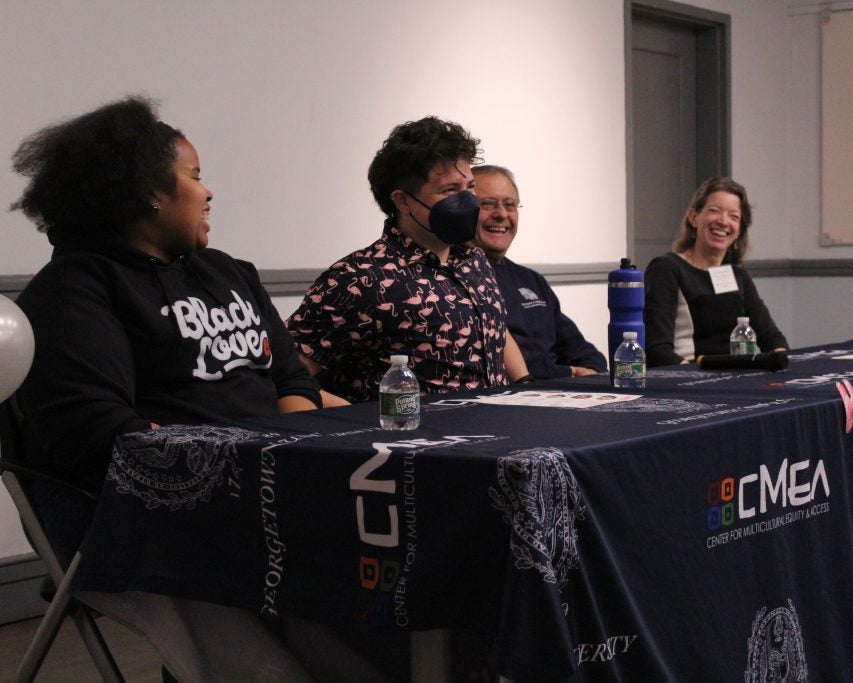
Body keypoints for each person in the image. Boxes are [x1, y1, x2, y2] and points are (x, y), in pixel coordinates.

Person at [10, 96, 393, 682]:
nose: (208, 191)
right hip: (157, 516)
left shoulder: (230, 273)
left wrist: (287, 459)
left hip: (266, 492)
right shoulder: (70, 293)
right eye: (193, 176)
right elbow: (100, 435)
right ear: (145, 192)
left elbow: (290, 379)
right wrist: (256, 474)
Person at [287, 117, 528, 402]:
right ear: (402, 201)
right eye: (450, 190)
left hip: (496, 433)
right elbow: (287, 374)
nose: (468, 201)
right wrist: (352, 418)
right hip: (413, 441)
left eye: (470, 187)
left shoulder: (474, 260)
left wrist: (526, 386)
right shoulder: (361, 277)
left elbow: (496, 333)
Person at [471, 164, 606, 379]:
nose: (501, 214)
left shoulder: (531, 280)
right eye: (487, 204)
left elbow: (578, 347)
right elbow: (497, 360)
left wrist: (592, 369)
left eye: (510, 205)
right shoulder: (456, 282)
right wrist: (568, 372)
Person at [643, 177, 788, 365]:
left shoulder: (737, 275)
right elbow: (657, 349)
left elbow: (772, 337)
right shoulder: (666, 268)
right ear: (694, 218)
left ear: (739, 231)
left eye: (734, 217)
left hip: (734, 378)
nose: (723, 221)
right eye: (714, 211)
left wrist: (782, 358)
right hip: (687, 379)